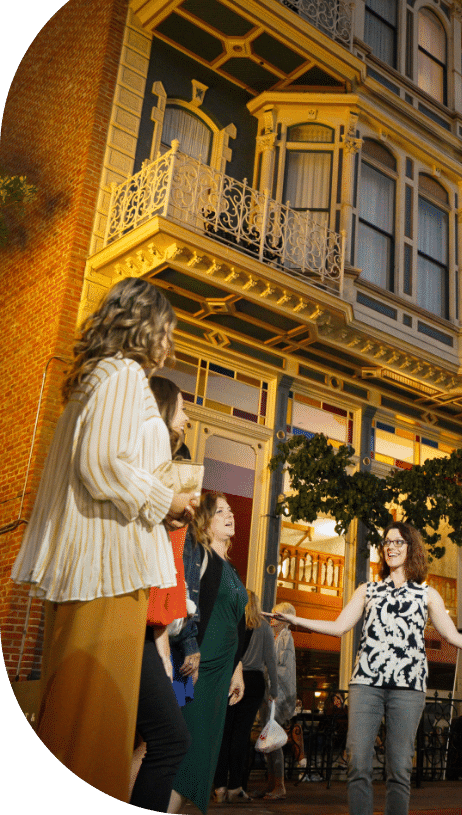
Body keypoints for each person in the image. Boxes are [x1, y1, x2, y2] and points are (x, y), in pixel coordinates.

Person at [11, 277, 196, 803]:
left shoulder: (95, 378)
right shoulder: (123, 377)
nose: (170, 345)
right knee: (93, 734)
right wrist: (168, 502)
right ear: (146, 326)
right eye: (168, 332)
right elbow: (104, 464)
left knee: (78, 725)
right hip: (106, 570)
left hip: (95, 569)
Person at [270, 521, 462, 815]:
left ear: (411, 548)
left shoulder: (427, 594)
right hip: (366, 684)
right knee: (357, 761)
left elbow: (452, 636)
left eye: (398, 542)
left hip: (408, 689)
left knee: (400, 767)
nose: (390, 547)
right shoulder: (368, 590)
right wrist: (296, 620)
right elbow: (339, 627)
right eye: (387, 542)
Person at [129, 375, 197, 810]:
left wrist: (164, 650)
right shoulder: (145, 468)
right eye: (183, 409)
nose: (188, 418)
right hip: (125, 615)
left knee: (158, 739)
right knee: (168, 739)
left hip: (145, 628)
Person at [169, 492, 248, 814]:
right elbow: (185, 607)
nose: (229, 514)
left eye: (231, 510)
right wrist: (190, 652)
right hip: (193, 667)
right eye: (220, 511)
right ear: (205, 521)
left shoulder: (230, 567)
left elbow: (238, 624)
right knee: (176, 744)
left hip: (219, 674)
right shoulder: (200, 556)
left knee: (199, 751)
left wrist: (237, 668)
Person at [213, 590, 279, 802]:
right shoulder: (265, 628)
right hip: (254, 683)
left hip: (230, 679)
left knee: (224, 734)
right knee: (241, 736)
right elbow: (271, 662)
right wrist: (274, 690)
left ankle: (220, 787)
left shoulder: (232, 624)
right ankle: (236, 787)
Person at [258, 601, 298, 800]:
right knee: (270, 740)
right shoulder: (278, 638)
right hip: (273, 694)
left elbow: (282, 670)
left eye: (276, 615)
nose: (272, 618)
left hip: (278, 697)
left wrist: (272, 690)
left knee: (274, 741)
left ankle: (279, 785)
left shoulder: (285, 639)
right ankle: (272, 782)